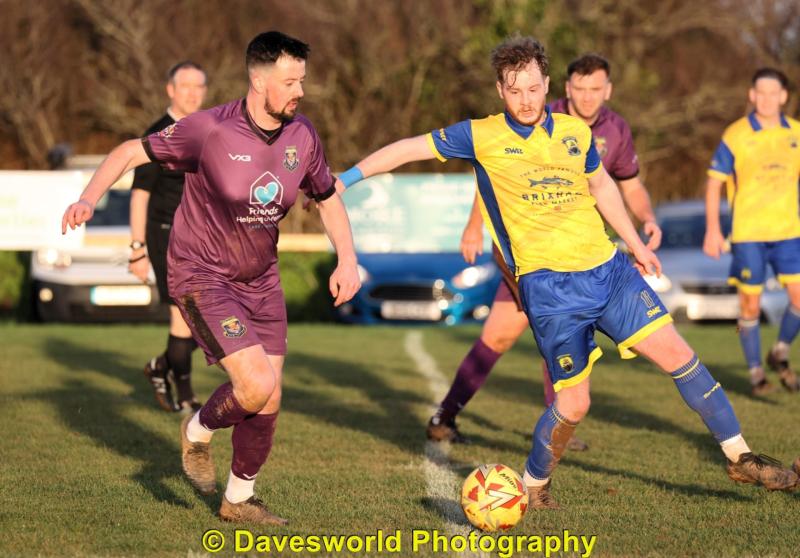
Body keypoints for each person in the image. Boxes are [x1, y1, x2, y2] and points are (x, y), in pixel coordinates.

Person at [336, 35, 799, 507]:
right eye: (515, 90)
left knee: (681, 357)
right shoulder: (481, 134)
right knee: (575, 404)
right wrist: (345, 180)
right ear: (500, 90)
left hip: (609, 271)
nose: (526, 100)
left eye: (534, 88)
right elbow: (406, 149)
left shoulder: (575, 132)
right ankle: (534, 484)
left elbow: (601, 184)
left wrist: (637, 242)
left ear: (546, 84)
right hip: (549, 288)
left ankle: (740, 456)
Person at [63, 31, 360, 524]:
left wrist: (347, 259)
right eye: (291, 82)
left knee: (271, 396)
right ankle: (197, 430)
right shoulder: (209, 130)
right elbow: (129, 152)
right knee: (255, 384)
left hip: (261, 278)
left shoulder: (302, 135)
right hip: (201, 273)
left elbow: (326, 197)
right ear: (259, 80)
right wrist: (88, 198)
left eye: (302, 81)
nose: (300, 91)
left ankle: (238, 500)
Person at [427, 53, 661, 448]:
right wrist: (474, 225)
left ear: (608, 90)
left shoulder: (616, 130)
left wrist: (647, 218)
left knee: (529, 337)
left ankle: (546, 427)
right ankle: (449, 416)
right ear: (564, 88)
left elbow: (629, 185)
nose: (588, 98)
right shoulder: (534, 110)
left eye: (596, 89)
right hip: (528, 254)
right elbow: (490, 170)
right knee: (520, 333)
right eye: (580, 89)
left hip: (583, 258)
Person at [704, 68, 800, 396]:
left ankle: (780, 352)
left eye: (774, 93)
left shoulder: (796, 134)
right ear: (751, 95)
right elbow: (714, 182)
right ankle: (757, 373)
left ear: (784, 96)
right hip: (748, 234)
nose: (767, 99)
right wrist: (713, 230)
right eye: (761, 92)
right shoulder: (736, 134)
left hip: (789, 232)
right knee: (749, 305)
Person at [129, 61, 208, 413]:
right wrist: (137, 250)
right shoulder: (157, 134)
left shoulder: (208, 130)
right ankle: (187, 396)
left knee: (209, 322)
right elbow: (139, 194)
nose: (193, 92)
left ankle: (161, 366)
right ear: (170, 90)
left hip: (202, 238)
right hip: (165, 235)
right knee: (183, 317)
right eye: (185, 85)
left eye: (199, 86)